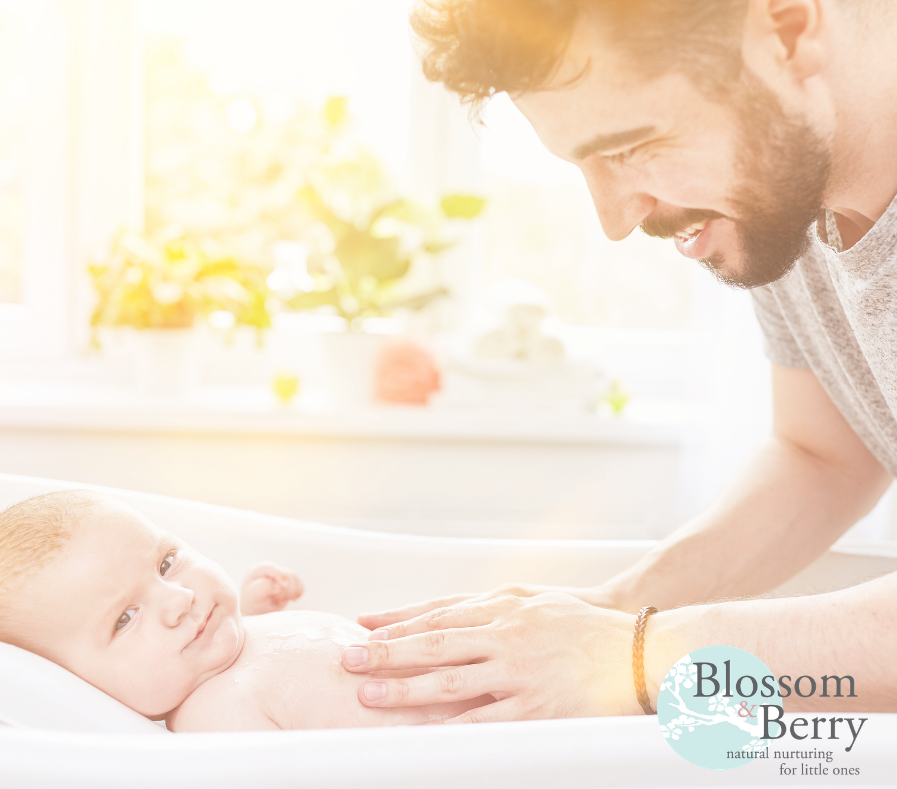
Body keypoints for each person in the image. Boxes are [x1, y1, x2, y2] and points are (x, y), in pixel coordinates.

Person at [336, 0, 897, 722]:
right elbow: (824, 454)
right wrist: (613, 607)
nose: (615, 220)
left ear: (789, 29)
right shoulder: (779, 192)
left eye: (632, 147)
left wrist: (636, 653)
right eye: (584, 164)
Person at [0, 490, 486, 730]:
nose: (179, 598)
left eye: (166, 563)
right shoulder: (211, 719)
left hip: (499, 691)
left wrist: (254, 612)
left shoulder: (217, 651)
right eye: (125, 618)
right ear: (83, 687)